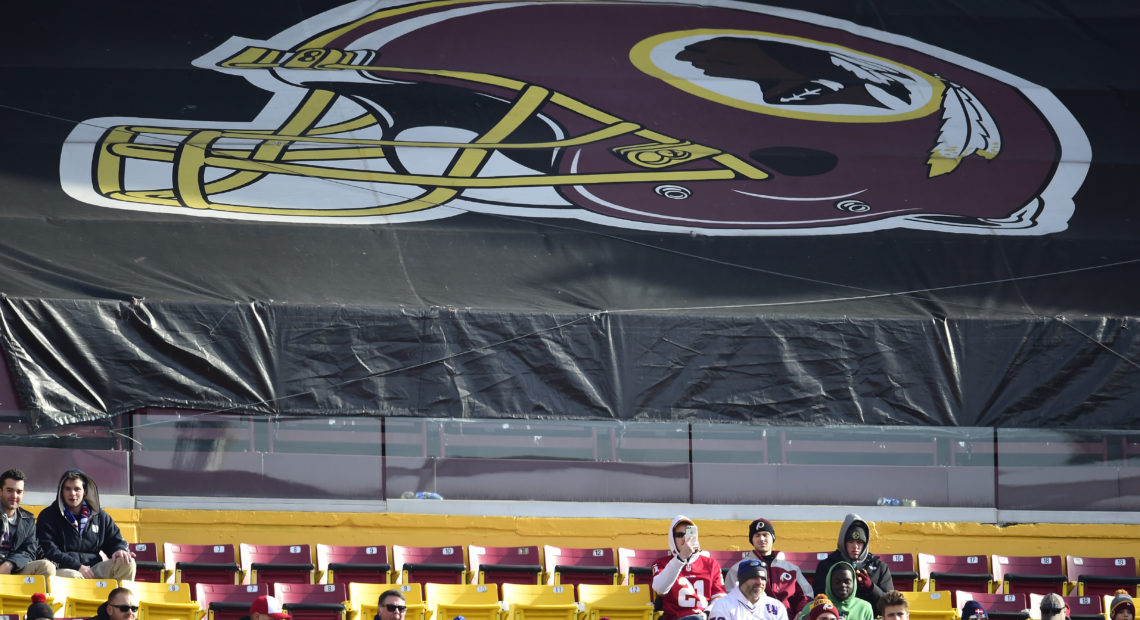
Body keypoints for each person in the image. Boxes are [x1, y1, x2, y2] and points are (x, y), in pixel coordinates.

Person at [35, 469, 135, 580]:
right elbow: (49, 551)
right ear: (61, 491)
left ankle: (120, 597)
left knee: (127, 564)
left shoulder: (99, 516)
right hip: (64, 569)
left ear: (85, 491)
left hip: (93, 569)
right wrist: (77, 566)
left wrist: (119, 550)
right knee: (75, 576)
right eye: (68, 489)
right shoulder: (48, 516)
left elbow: (115, 540)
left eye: (77, 489)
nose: (72, 493)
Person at [724, 518, 812, 617]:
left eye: (765, 535)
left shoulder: (791, 569)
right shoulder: (738, 568)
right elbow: (730, 597)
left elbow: (806, 595)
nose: (761, 539)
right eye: (757, 535)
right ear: (751, 540)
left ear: (772, 537)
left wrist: (800, 612)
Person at [811, 514, 892, 612]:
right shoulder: (827, 566)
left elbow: (890, 605)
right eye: (850, 541)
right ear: (843, 541)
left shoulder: (880, 567)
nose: (855, 546)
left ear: (865, 543)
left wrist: (871, 588)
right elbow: (819, 599)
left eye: (859, 542)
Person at [652, 515, 727, 620]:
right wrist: (681, 558)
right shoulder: (661, 563)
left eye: (688, 534)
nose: (684, 538)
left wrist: (707, 613)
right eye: (679, 535)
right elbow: (660, 589)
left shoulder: (711, 564)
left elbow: (719, 597)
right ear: (672, 539)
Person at [0, 469, 54, 576]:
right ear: (0, 492)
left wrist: (9, 564)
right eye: (9, 490)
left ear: (23, 494)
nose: (14, 496)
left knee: (46, 567)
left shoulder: (28, 519)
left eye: (19, 492)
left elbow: (29, 551)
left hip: (14, 569)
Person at [708, 559, 788, 620]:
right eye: (754, 577)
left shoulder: (777, 607)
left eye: (763, 578)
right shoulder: (723, 604)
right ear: (742, 580)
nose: (760, 582)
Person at [798, 563, 872, 620]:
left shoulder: (864, 608)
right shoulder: (813, 606)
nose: (843, 585)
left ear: (854, 583)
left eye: (847, 581)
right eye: (837, 582)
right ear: (829, 583)